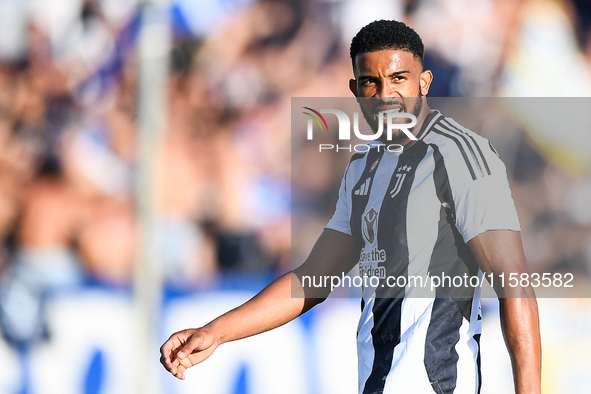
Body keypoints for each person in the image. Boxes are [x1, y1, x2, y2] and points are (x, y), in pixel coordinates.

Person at [160, 20, 541, 394]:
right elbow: (313, 279)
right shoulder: (363, 168)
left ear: (423, 82)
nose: (385, 96)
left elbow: (516, 287)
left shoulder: (462, 158)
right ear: (355, 90)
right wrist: (215, 332)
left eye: (398, 79)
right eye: (371, 83)